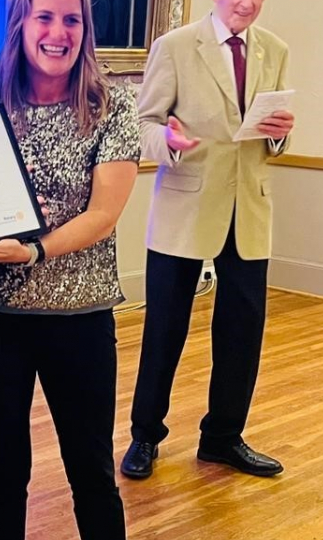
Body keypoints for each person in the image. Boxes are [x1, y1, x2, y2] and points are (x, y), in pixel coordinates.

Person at [0, 0, 140, 537]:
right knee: (3, 469)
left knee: (90, 470)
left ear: (85, 30)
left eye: (72, 20)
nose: (58, 32)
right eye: (45, 17)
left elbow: (103, 216)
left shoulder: (112, 107)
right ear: (21, 24)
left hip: (78, 319)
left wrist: (33, 251)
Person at [120, 0, 295, 480]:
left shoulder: (274, 50)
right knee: (164, 330)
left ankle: (222, 438)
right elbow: (144, 124)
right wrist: (169, 144)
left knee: (243, 333)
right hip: (186, 206)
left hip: (249, 211)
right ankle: (145, 436)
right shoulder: (174, 47)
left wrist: (280, 135)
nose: (247, 4)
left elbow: (271, 133)